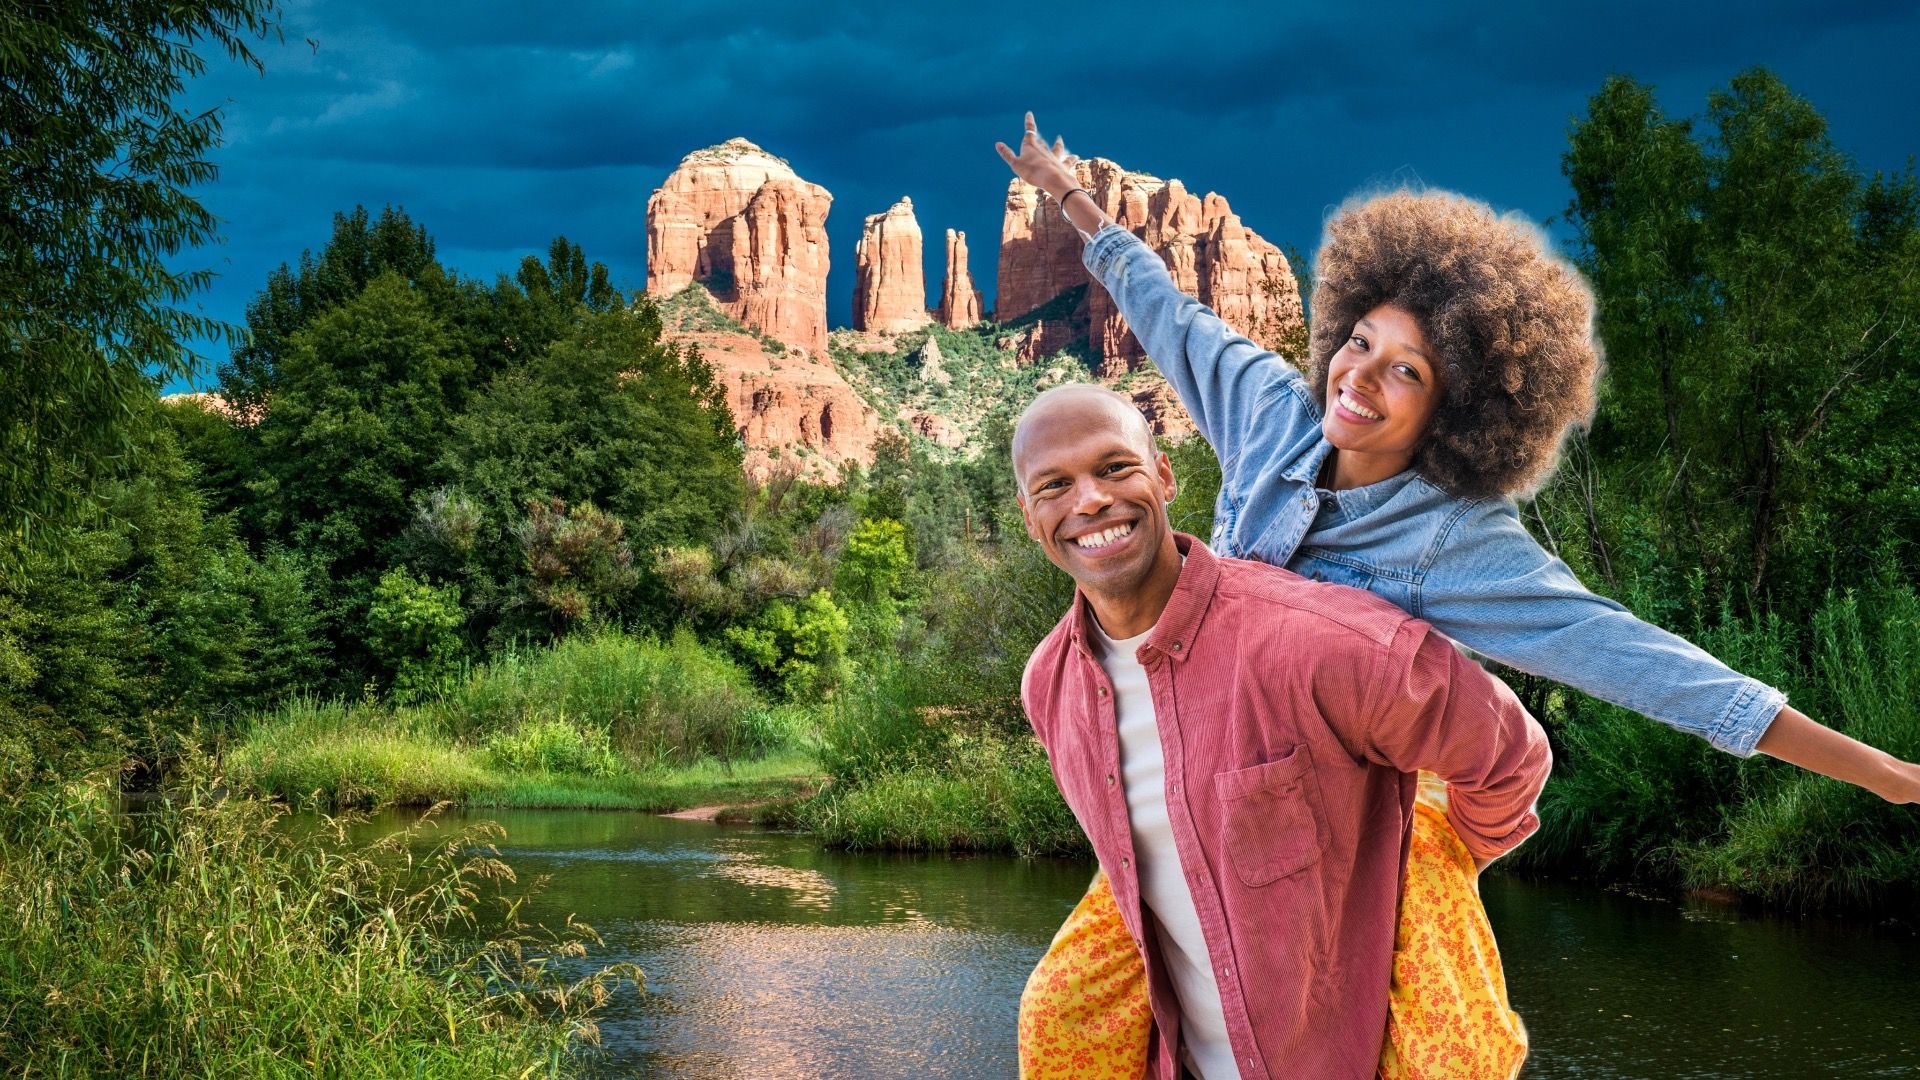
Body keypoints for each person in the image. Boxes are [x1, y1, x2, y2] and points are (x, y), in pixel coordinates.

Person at [995, 112, 1920, 1078]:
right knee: (1062, 1017)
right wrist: (1067, 196)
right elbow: (1165, 310)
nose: (1361, 379)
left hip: (1354, 822)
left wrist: (1890, 777)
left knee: (1437, 1044)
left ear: (1459, 405)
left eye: (1409, 371)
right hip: (1218, 790)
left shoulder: (1456, 540)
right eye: (1359, 343)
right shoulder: (1270, 416)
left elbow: (1652, 668)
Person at [1013, 383, 1552, 1080]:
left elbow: (1508, 755)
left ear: (1164, 473)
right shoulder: (1051, 687)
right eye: (1055, 485)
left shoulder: (1316, 642)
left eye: (1115, 467)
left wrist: (1423, 867)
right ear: (1031, 518)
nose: (1089, 501)